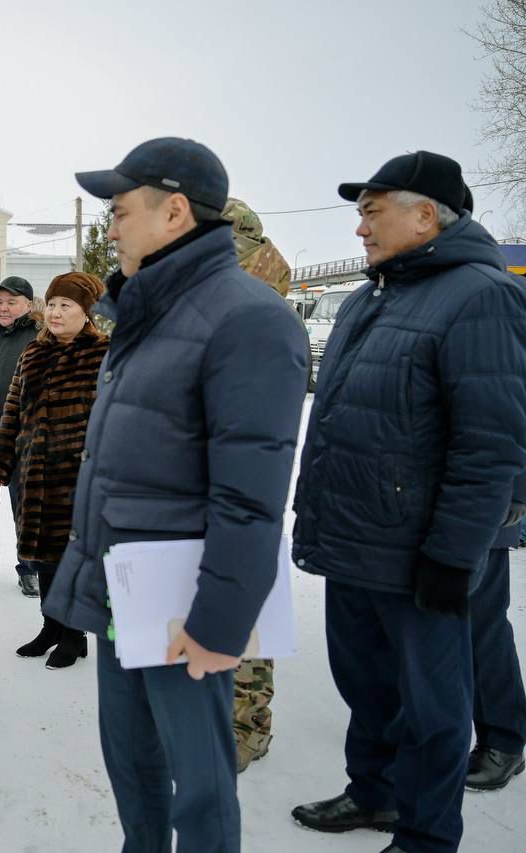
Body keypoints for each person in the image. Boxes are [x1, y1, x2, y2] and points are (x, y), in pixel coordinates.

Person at [46, 138, 308, 852]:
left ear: (175, 212)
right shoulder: (146, 311)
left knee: (199, 789)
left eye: (120, 208)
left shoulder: (247, 317)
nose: (110, 224)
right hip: (120, 589)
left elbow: (250, 496)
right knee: (131, 762)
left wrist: (217, 622)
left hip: (183, 607)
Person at [290, 152, 526, 853]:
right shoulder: (371, 296)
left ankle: (426, 834)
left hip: (421, 550)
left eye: (372, 209)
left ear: (426, 215)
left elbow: (490, 444)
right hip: (355, 538)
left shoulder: (483, 295)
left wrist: (453, 556)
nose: (360, 226)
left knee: (432, 707)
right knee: (368, 686)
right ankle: (375, 792)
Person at [0, 272, 108, 670]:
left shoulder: (103, 354)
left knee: (70, 558)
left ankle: (73, 635)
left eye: (67, 306)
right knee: (42, 557)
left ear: (87, 312)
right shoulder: (33, 353)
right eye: (53, 304)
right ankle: (50, 626)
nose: (56, 313)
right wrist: (3, 460)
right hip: (33, 473)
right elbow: (13, 410)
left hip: (77, 478)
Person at [221, 197, 294, 773]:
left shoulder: (250, 288)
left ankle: (248, 729)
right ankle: (238, 723)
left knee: (244, 620)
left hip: (237, 487)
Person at [468, 473, 526, 791]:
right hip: (419, 503)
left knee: (481, 626)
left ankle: (503, 740)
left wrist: (516, 495)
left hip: (481, 503)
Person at [0, 275, 41, 598]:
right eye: (0, 301)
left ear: (28, 305)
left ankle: (30, 569)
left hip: (21, 439)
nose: (4, 307)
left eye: (12, 301)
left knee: (25, 508)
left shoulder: (39, 337)